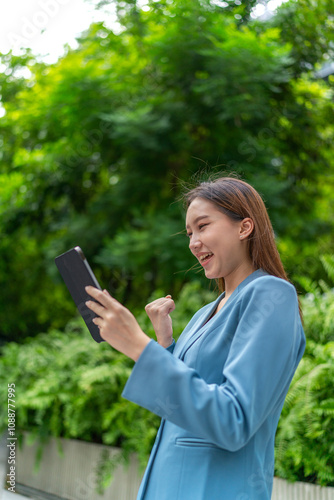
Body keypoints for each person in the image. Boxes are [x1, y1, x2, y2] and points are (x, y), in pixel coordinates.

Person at [85, 176, 306, 500]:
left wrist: (138, 345)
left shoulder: (271, 294)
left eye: (203, 226)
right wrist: (165, 344)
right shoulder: (205, 313)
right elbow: (186, 404)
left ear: (244, 227)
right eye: (189, 233)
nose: (193, 241)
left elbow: (234, 420)